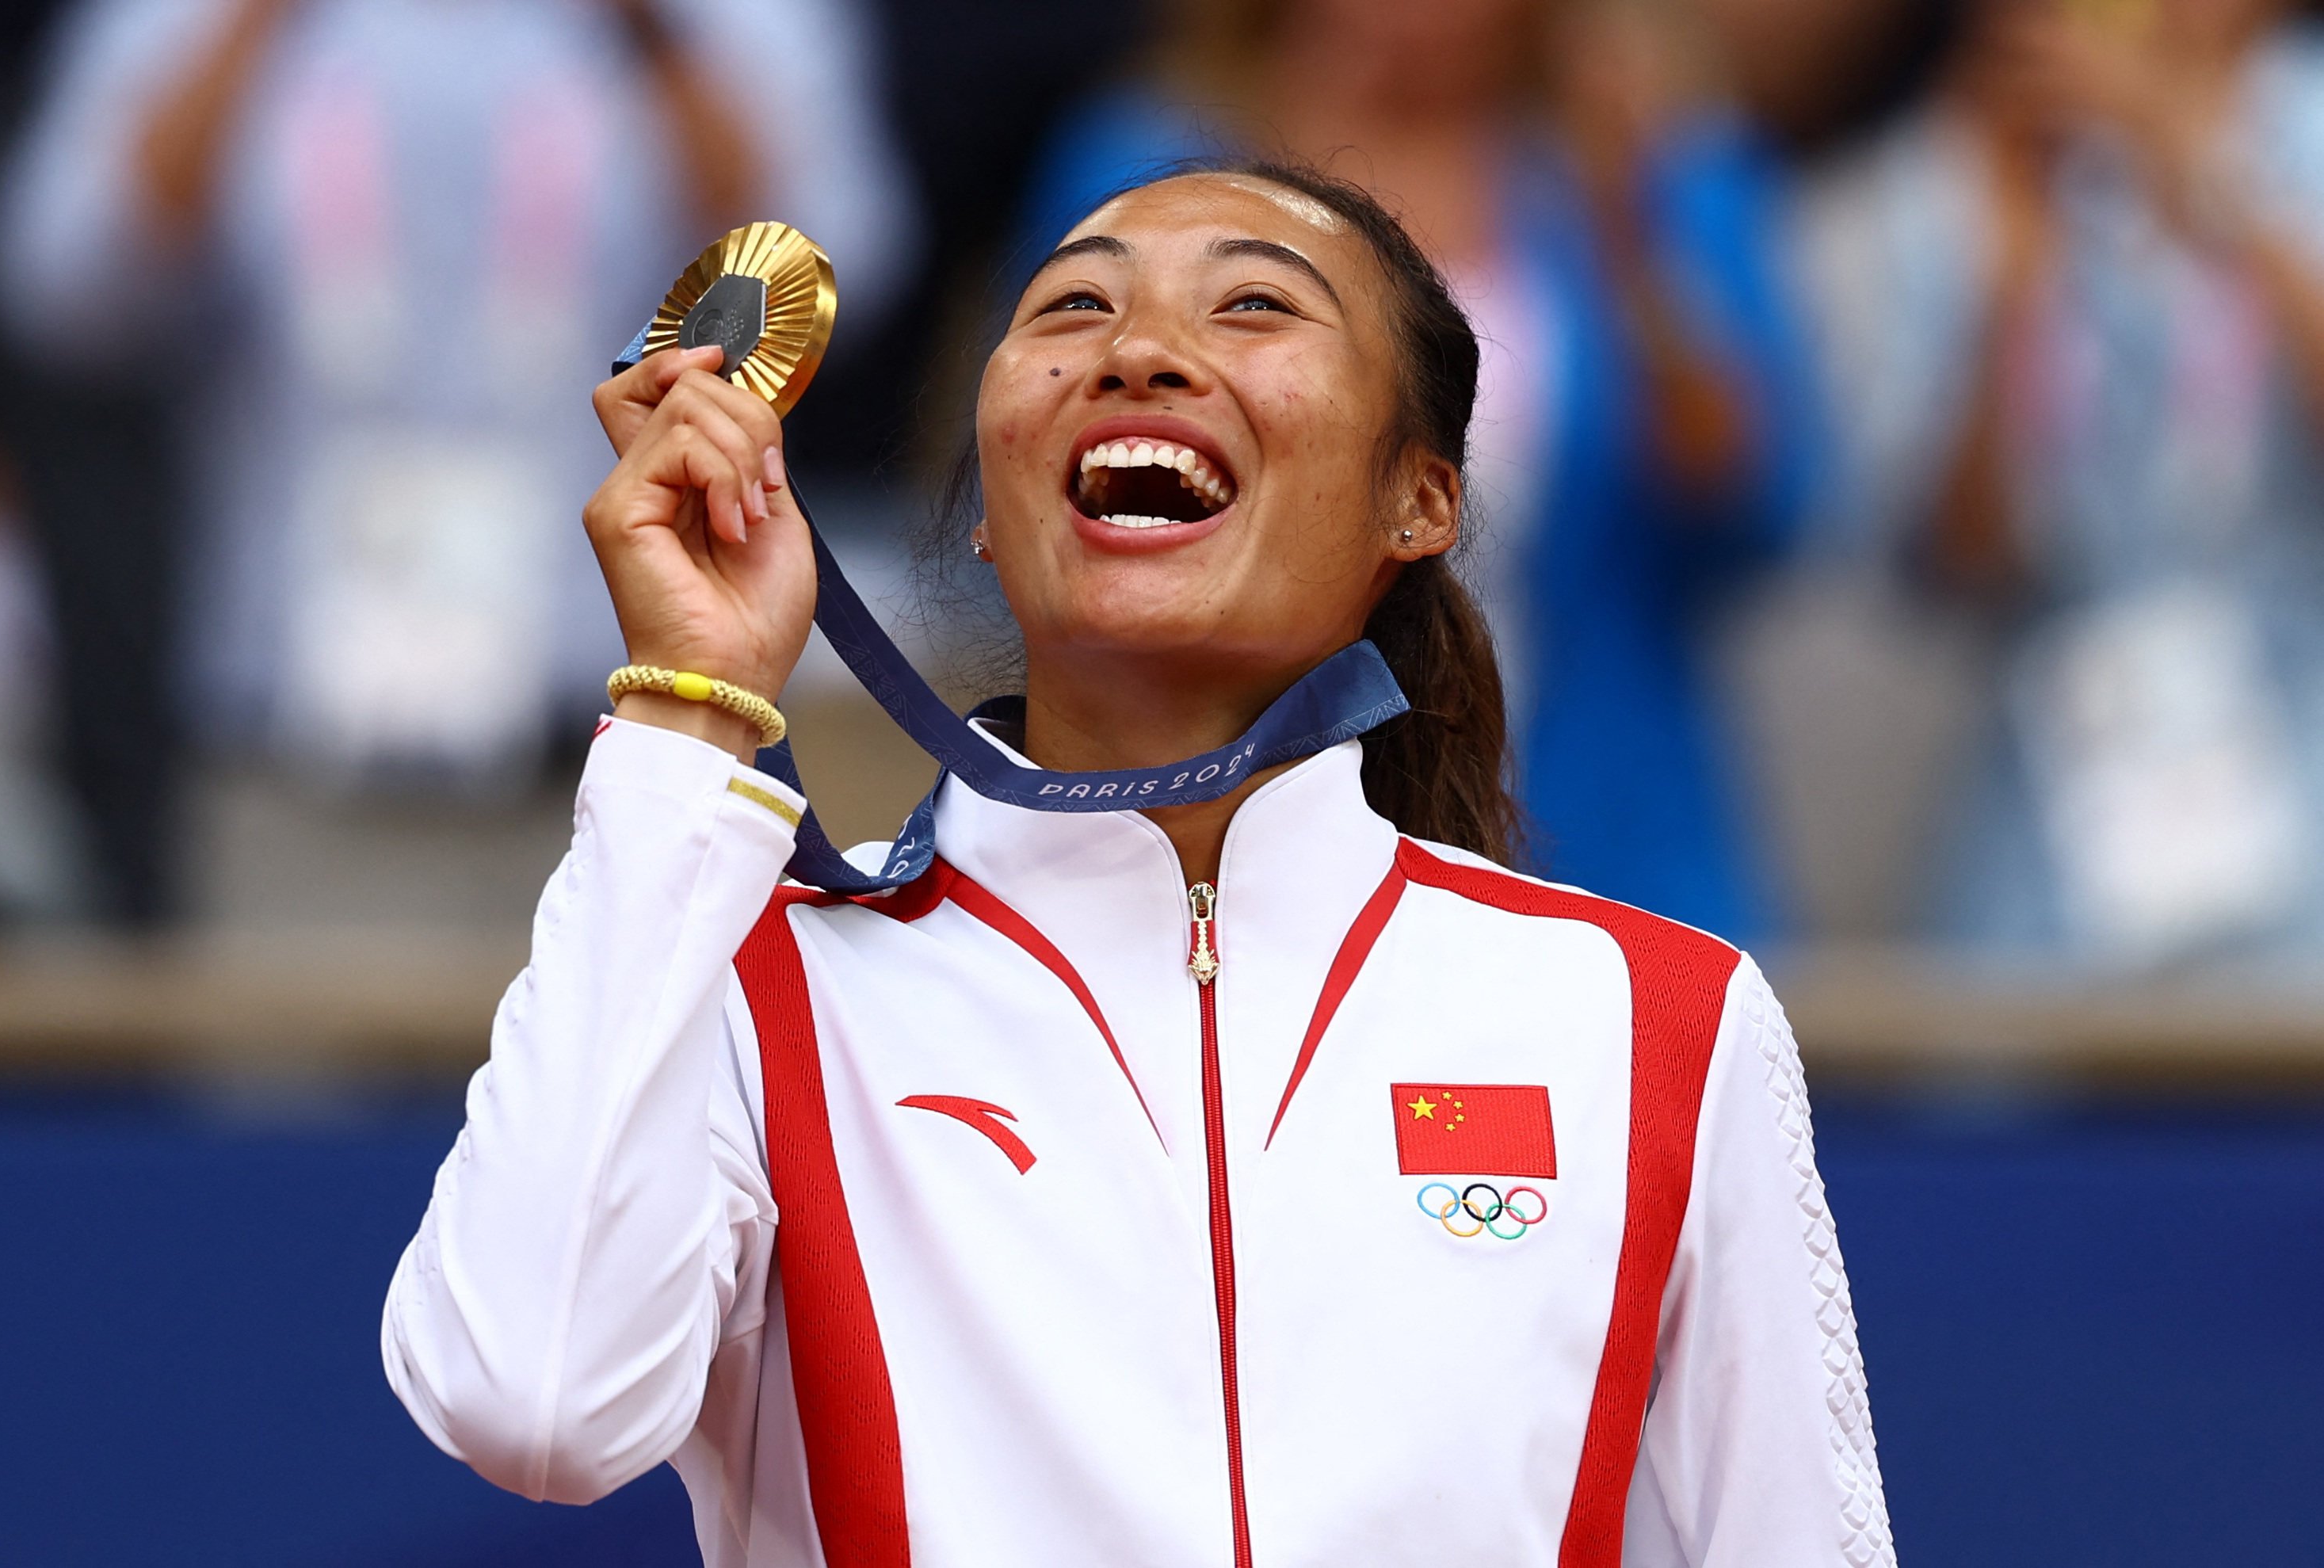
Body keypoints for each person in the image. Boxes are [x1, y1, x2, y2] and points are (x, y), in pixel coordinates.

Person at [380, 162, 1891, 1566]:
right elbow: (533, 1398)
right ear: (989, 512)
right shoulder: (752, 986)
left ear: (1420, 500)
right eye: (1073, 309)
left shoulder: (1655, 1022)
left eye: (1253, 304)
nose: (1141, 352)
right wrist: (683, 706)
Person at [1013, 0, 1821, 940]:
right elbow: (1053, 481)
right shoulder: (1142, 170)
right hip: (1204, 851)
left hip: (1603, 842)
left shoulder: (1653, 160)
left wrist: (1633, 239)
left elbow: (1761, 514)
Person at [0, 0, 913, 788]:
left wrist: (656, 36)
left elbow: (843, 275)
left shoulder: (732, 20)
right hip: (286, 734)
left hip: (629, 732)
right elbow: (61, 300)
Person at [1801, 0, 2324, 961]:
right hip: (2051, 842)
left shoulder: (2305, 123)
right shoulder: (1965, 158)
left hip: (2299, 809)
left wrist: (2212, 182)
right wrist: (2012, 288)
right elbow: (1953, 562)